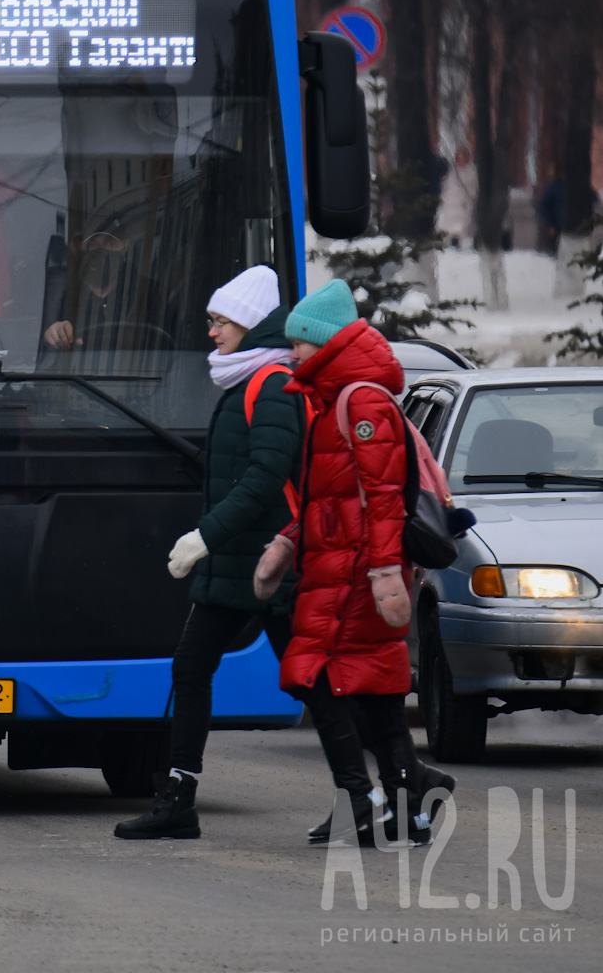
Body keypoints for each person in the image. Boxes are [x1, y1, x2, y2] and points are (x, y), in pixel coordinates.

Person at [251, 280, 453, 845]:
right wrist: (290, 543)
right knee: (375, 691)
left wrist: (385, 573)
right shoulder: (332, 400)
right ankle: (408, 800)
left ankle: (363, 800)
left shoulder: (359, 401)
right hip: (340, 569)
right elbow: (329, 499)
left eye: (300, 343)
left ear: (326, 342)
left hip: (357, 576)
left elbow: (383, 498)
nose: (292, 354)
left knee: (318, 676)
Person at [115, 265, 301, 840]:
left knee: (313, 681)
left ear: (248, 324)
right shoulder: (245, 381)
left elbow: (265, 477)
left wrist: (205, 537)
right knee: (192, 668)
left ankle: (398, 779)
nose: (213, 333)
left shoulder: (269, 385)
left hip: (267, 566)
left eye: (220, 322)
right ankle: (177, 799)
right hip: (238, 564)